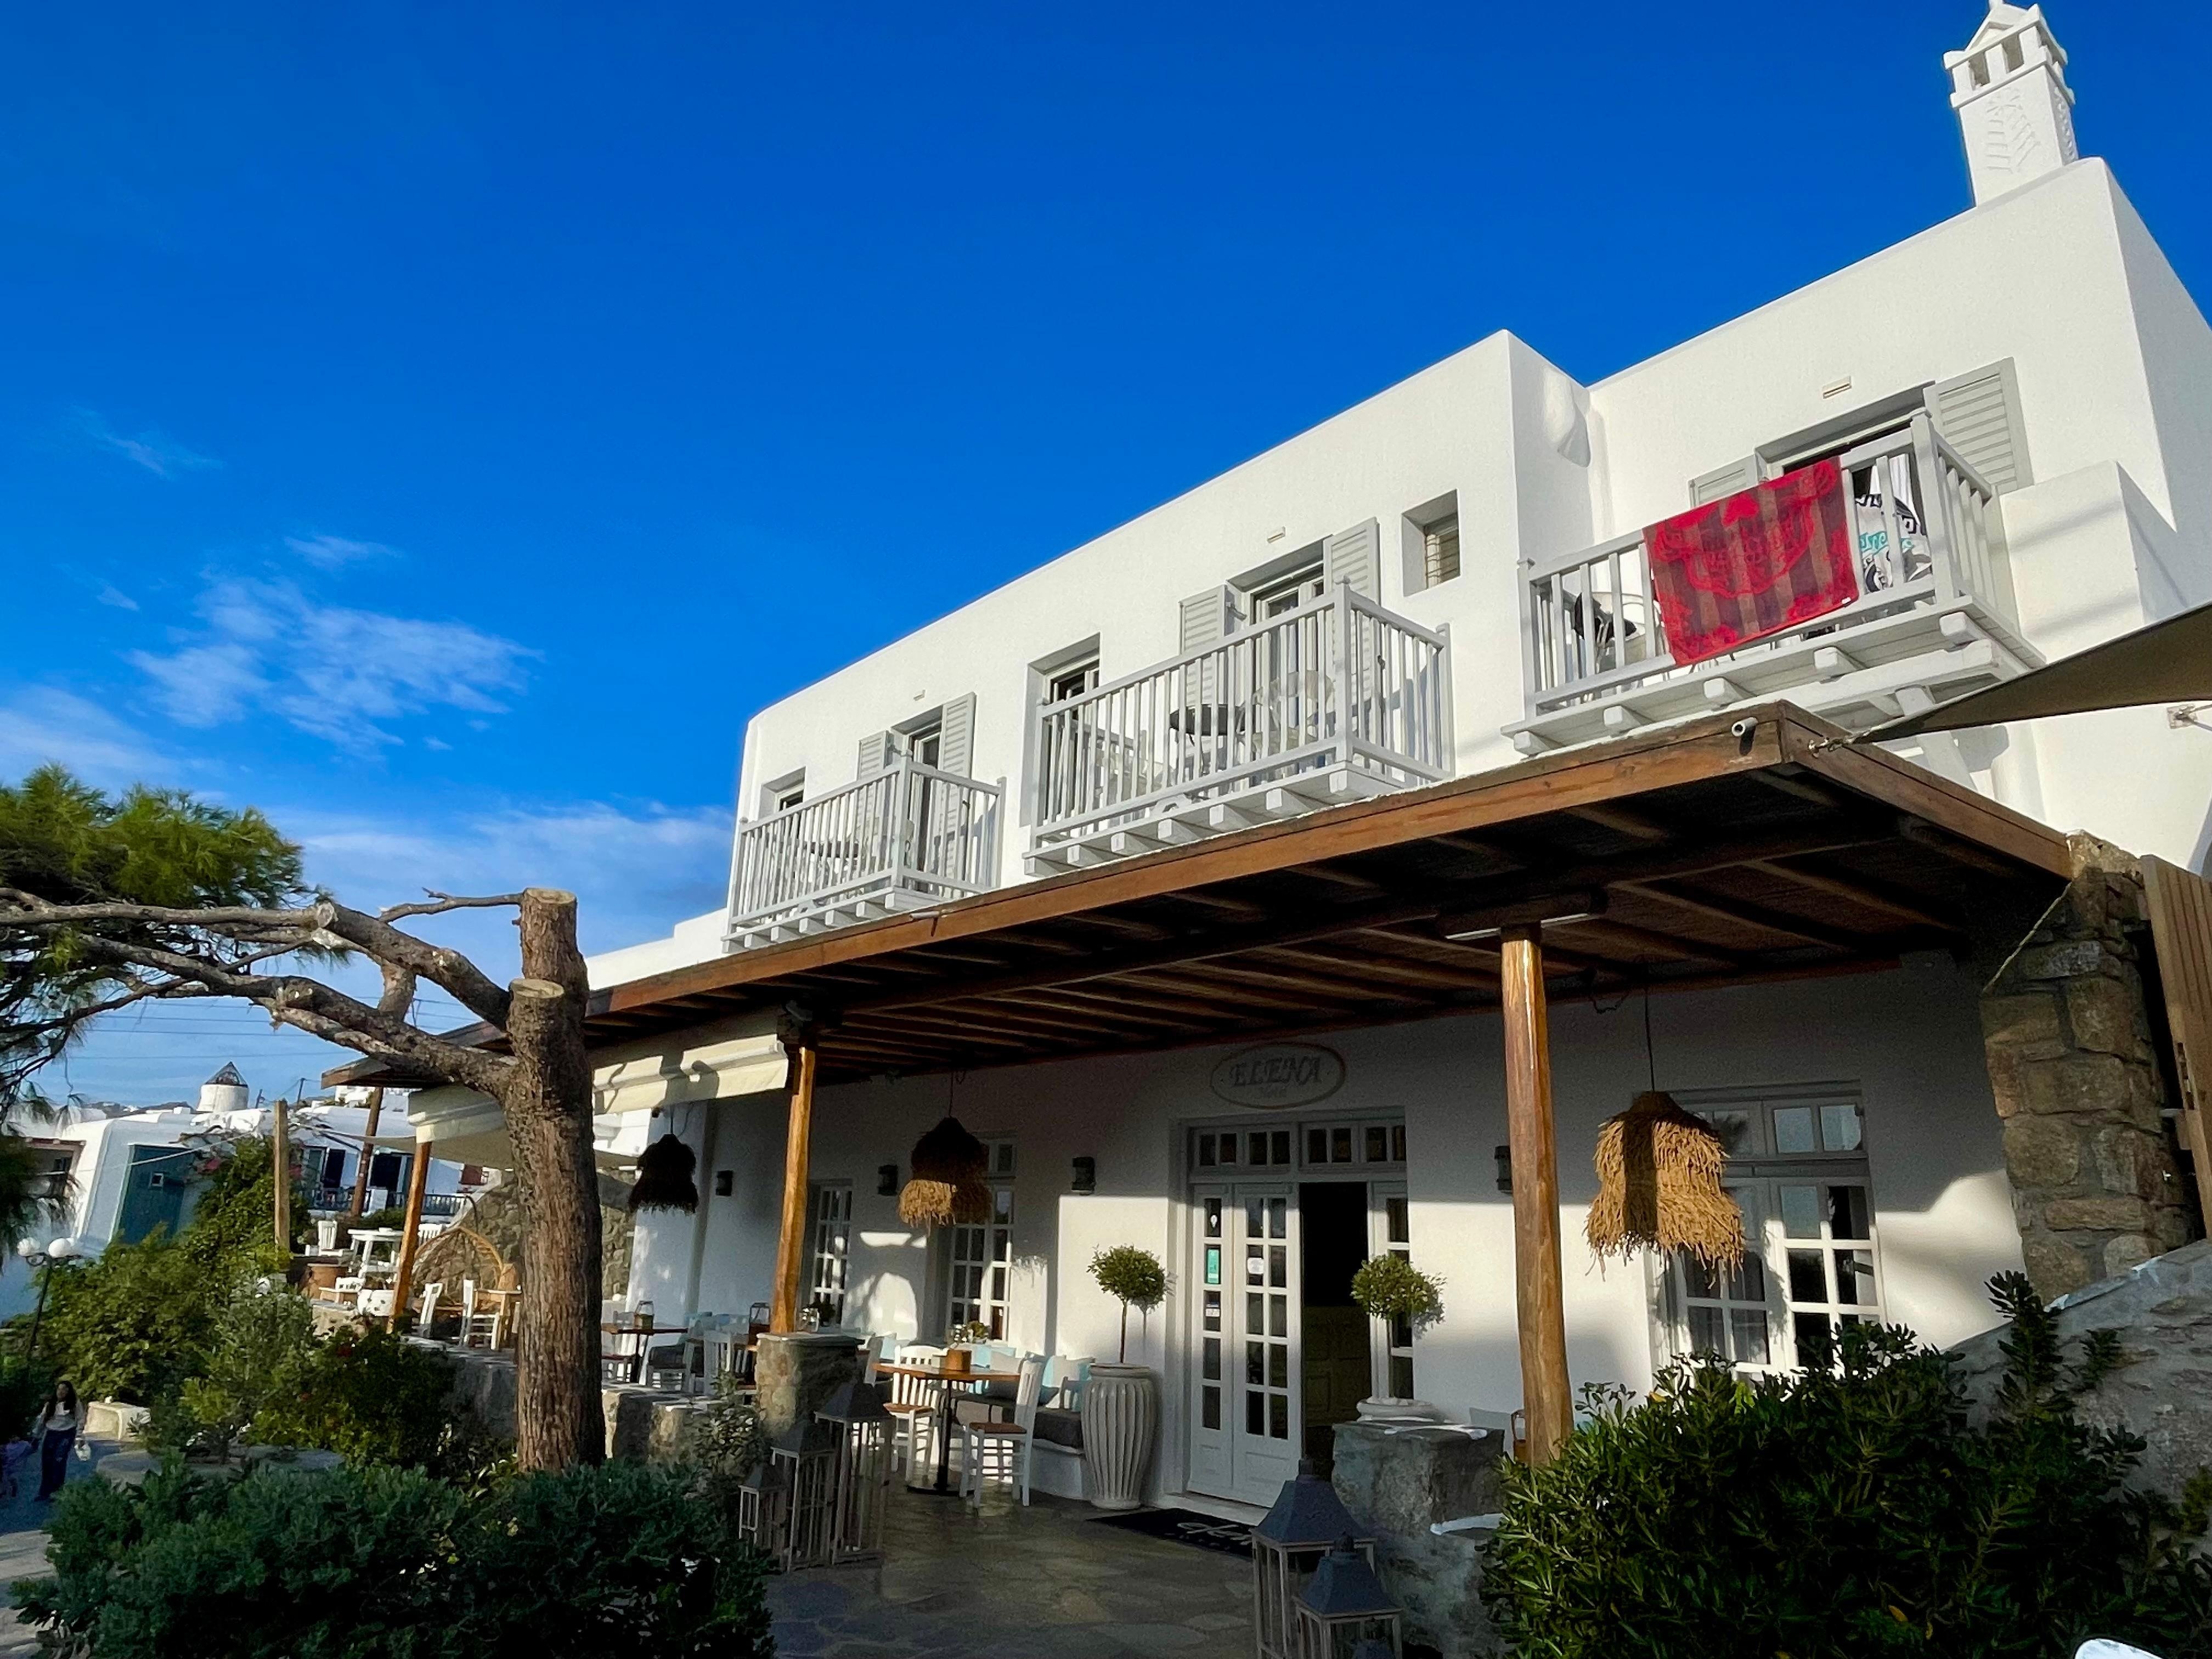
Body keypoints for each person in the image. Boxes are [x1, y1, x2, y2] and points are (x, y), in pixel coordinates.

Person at [35, 1380, 79, 1502]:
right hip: (52, 1433)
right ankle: (44, 1492)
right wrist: (37, 1436)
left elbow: (81, 1419)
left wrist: (79, 1435)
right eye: (59, 1389)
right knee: (47, 1462)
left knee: (59, 1462)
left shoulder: (74, 1404)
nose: (61, 1392)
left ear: (69, 1391)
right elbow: (42, 1420)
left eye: (64, 1389)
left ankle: (57, 1492)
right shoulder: (51, 1404)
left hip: (66, 1434)